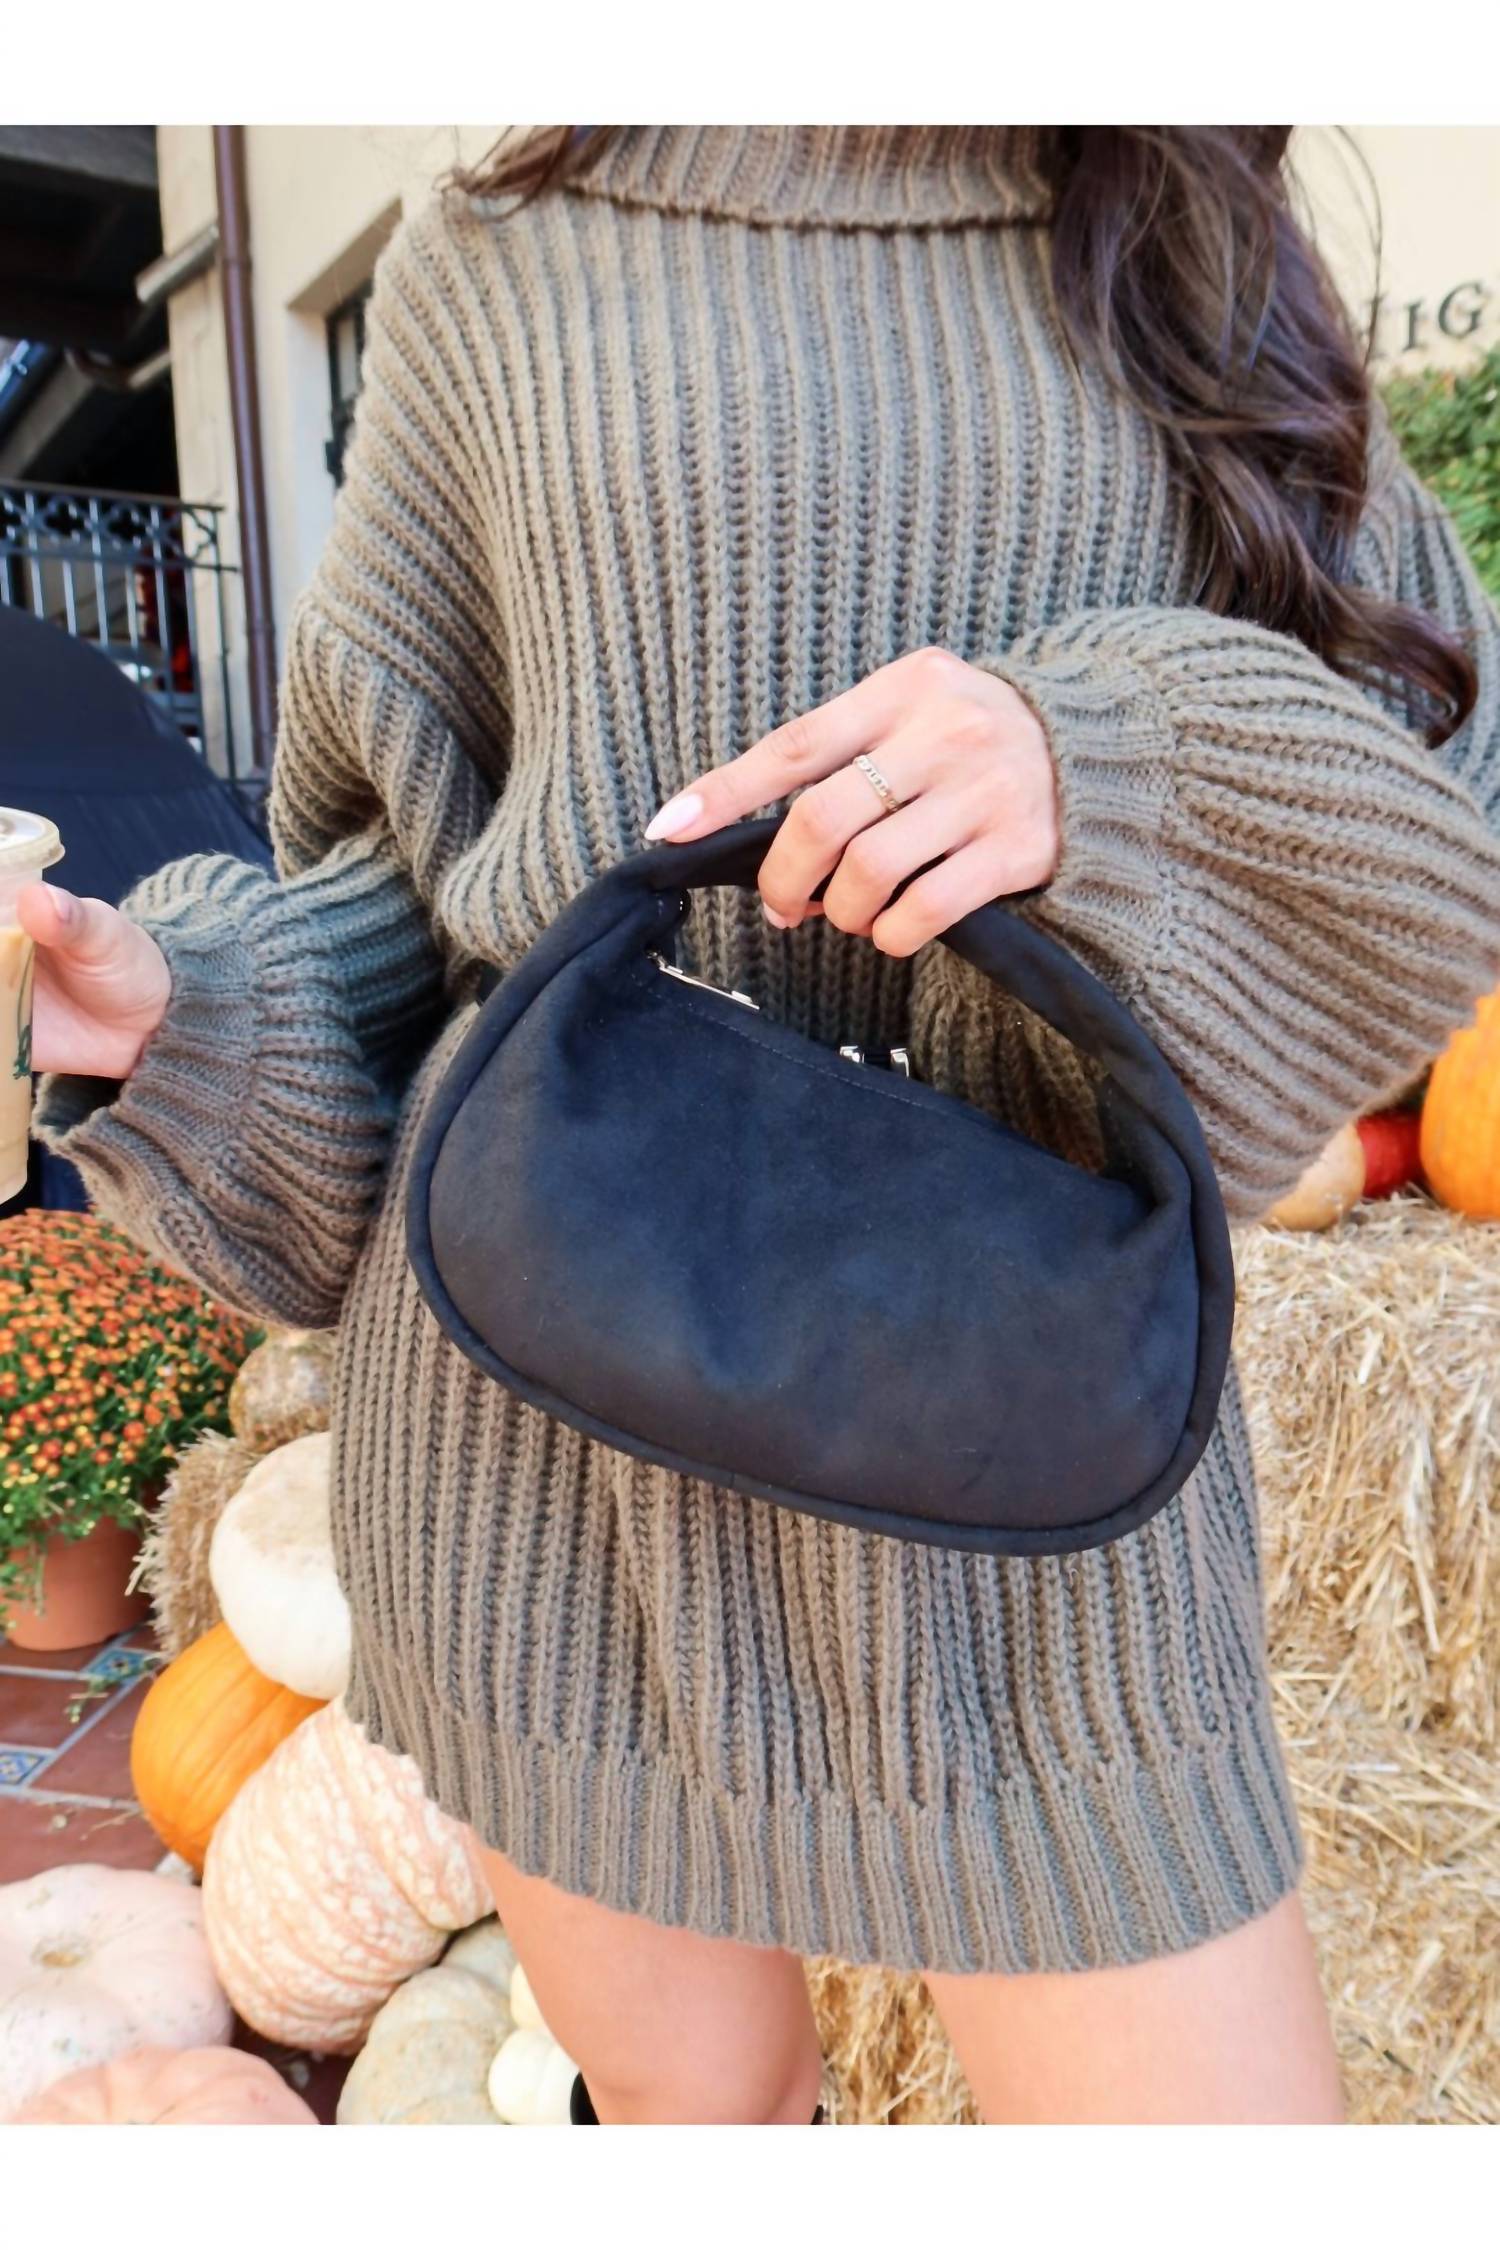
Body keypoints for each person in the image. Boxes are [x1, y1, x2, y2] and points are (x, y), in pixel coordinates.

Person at [20, 126, 1500, 2125]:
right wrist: (183, 1015)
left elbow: (1452, 784)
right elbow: (413, 895)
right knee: (699, 2128)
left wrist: (1112, 765)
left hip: (1025, 1464)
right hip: (559, 1450)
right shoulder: (500, 254)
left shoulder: (1183, 225)